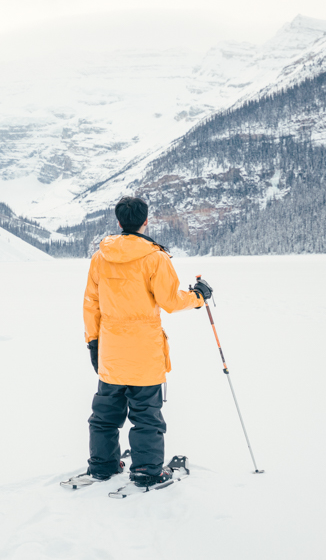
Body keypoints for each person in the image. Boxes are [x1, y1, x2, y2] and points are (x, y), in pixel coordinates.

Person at [82, 196, 213, 486]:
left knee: (105, 412)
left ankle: (103, 465)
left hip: (111, 350)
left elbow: (91, 303)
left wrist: (93, 342)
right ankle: (147, 470)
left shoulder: (100, 257)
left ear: (119, 222)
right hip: (144, 351)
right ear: (145, 221)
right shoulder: (155, 257)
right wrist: (198, 296)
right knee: (146, 414)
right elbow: (169, 300)